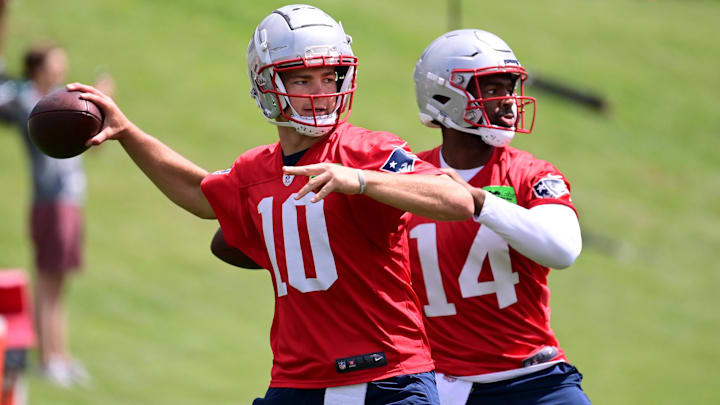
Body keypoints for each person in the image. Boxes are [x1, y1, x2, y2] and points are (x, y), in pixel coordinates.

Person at [67, 4, 474, 404]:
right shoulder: (255, 170)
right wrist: (127, 133)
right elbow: (198, 192)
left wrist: (363, 180)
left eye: (330, 77)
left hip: (389, 379)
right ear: (267, 84)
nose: (321, 93)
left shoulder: (368, 151)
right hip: (298, 381)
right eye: (302, 80)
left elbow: (456, 199)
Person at [406, 29, 591, 404]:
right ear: (446, 95)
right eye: (492, 90)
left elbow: (564, 249)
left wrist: (479, 203)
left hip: (533, 380)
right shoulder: (407, 176)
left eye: (510, 88)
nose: (509, 103)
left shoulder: (532, 174)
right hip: (441, 386)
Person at [0, 43, 113, 388]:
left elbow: (92, 146)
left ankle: (60, 356)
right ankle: (47, 359)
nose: (62, 68)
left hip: (69, 200)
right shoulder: (30, 103)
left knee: (60, 284)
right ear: (38, 69)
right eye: (55, 63)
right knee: (48, 282)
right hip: (50, 202)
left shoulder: (58, 102)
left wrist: (102, 111)